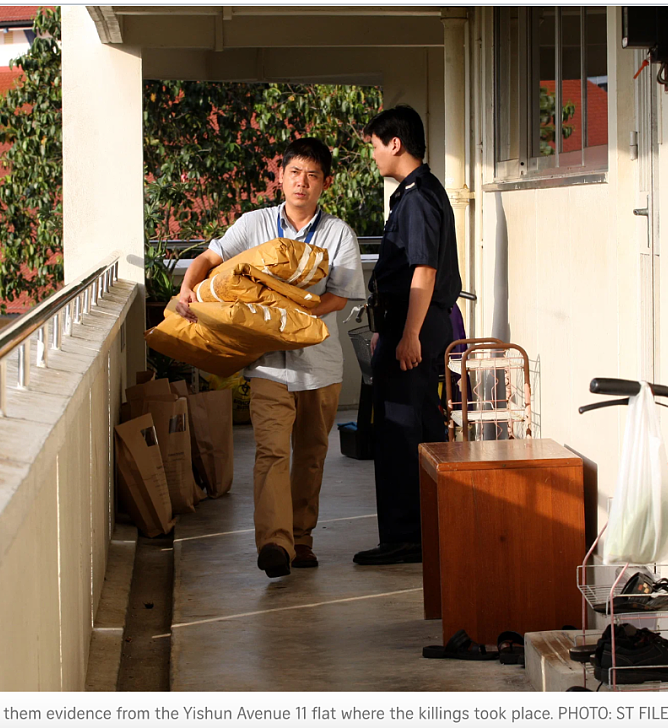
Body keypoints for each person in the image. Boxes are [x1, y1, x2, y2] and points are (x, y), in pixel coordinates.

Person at [177, 137, 367, 578]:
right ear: (279, 177)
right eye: (295, 172)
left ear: (326, 183)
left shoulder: (338, 233)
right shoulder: (255, 223)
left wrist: (290, 315)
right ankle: (275, 544)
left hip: (320, 366)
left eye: (313, 175)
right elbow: (209, 257)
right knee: (270, 453)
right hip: (266, 365)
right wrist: (189, 288)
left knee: (312, 455)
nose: (302, 183)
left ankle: (302, 539)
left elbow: (338, 297)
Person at [353, 105, 462, 566]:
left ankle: (405, 536)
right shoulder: (418, 192)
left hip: (416, 323)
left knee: (402, 431)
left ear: (395, 144)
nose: (374, 155)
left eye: (376, 146)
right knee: (415, 427)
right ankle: (418, 532)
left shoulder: (417, 197)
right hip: (407, 322)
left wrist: (410, 333)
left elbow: (424, 269)